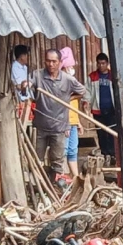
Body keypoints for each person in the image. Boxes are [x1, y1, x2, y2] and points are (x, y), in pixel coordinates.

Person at [29, 48, 83, 183]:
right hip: (40, 126)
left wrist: (67, 99)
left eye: (54, 61)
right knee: (36, 158)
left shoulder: (67, 79)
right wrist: (25, 85)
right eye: (48, 61)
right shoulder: (38, 75)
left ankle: (57, 187)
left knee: (57, 161)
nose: (51, 64)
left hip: (59, 127)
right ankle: (37, 186)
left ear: (59, 62)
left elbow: (82, 91)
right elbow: (29, 84)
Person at [87, 53, 118, 161]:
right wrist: (86, 102)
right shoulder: (92, 76)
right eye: (99, 63)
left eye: (103, 63)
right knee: (101, 133)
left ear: (107, 64)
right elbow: (88, 92)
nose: (101, 66)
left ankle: (113, 154)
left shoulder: (113, 76)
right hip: (98, 110)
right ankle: (104, 154)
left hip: (111, 110)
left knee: (112, 132)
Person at [59, 47, 81, 172]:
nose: (72, 69)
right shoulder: (61, 82)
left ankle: (76, 178)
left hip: (73, 121)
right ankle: (61, 177)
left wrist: (78, 122)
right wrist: (66, 124)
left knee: (73, 151)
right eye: (69, 67)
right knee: (64, 150)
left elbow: (74, 105)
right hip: (65, 123)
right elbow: (61, 106)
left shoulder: (72, 81)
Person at [10, 45, 32, 114]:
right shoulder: (14, 67)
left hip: (29, 98)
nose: (28, 57)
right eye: (27, 55)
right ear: (22, 56)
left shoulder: (25, 67)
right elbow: (19, 86)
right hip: (20, 99)